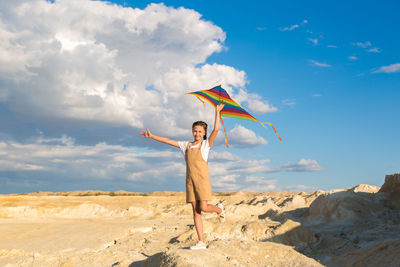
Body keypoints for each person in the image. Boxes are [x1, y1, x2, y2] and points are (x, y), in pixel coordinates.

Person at [140, 103, 226, 250]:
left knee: (204, 208)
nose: (197, 134)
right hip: (190, 182)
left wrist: (217, 112)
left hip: (202, 182)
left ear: (204, 133)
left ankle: (219, 209)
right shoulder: (186, 145)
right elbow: (168, 140)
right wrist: (152, 136)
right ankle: (201, 242)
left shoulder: (205, 146)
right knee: (196, 212)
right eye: (195, 131)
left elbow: (216, 129)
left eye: (200, 131)